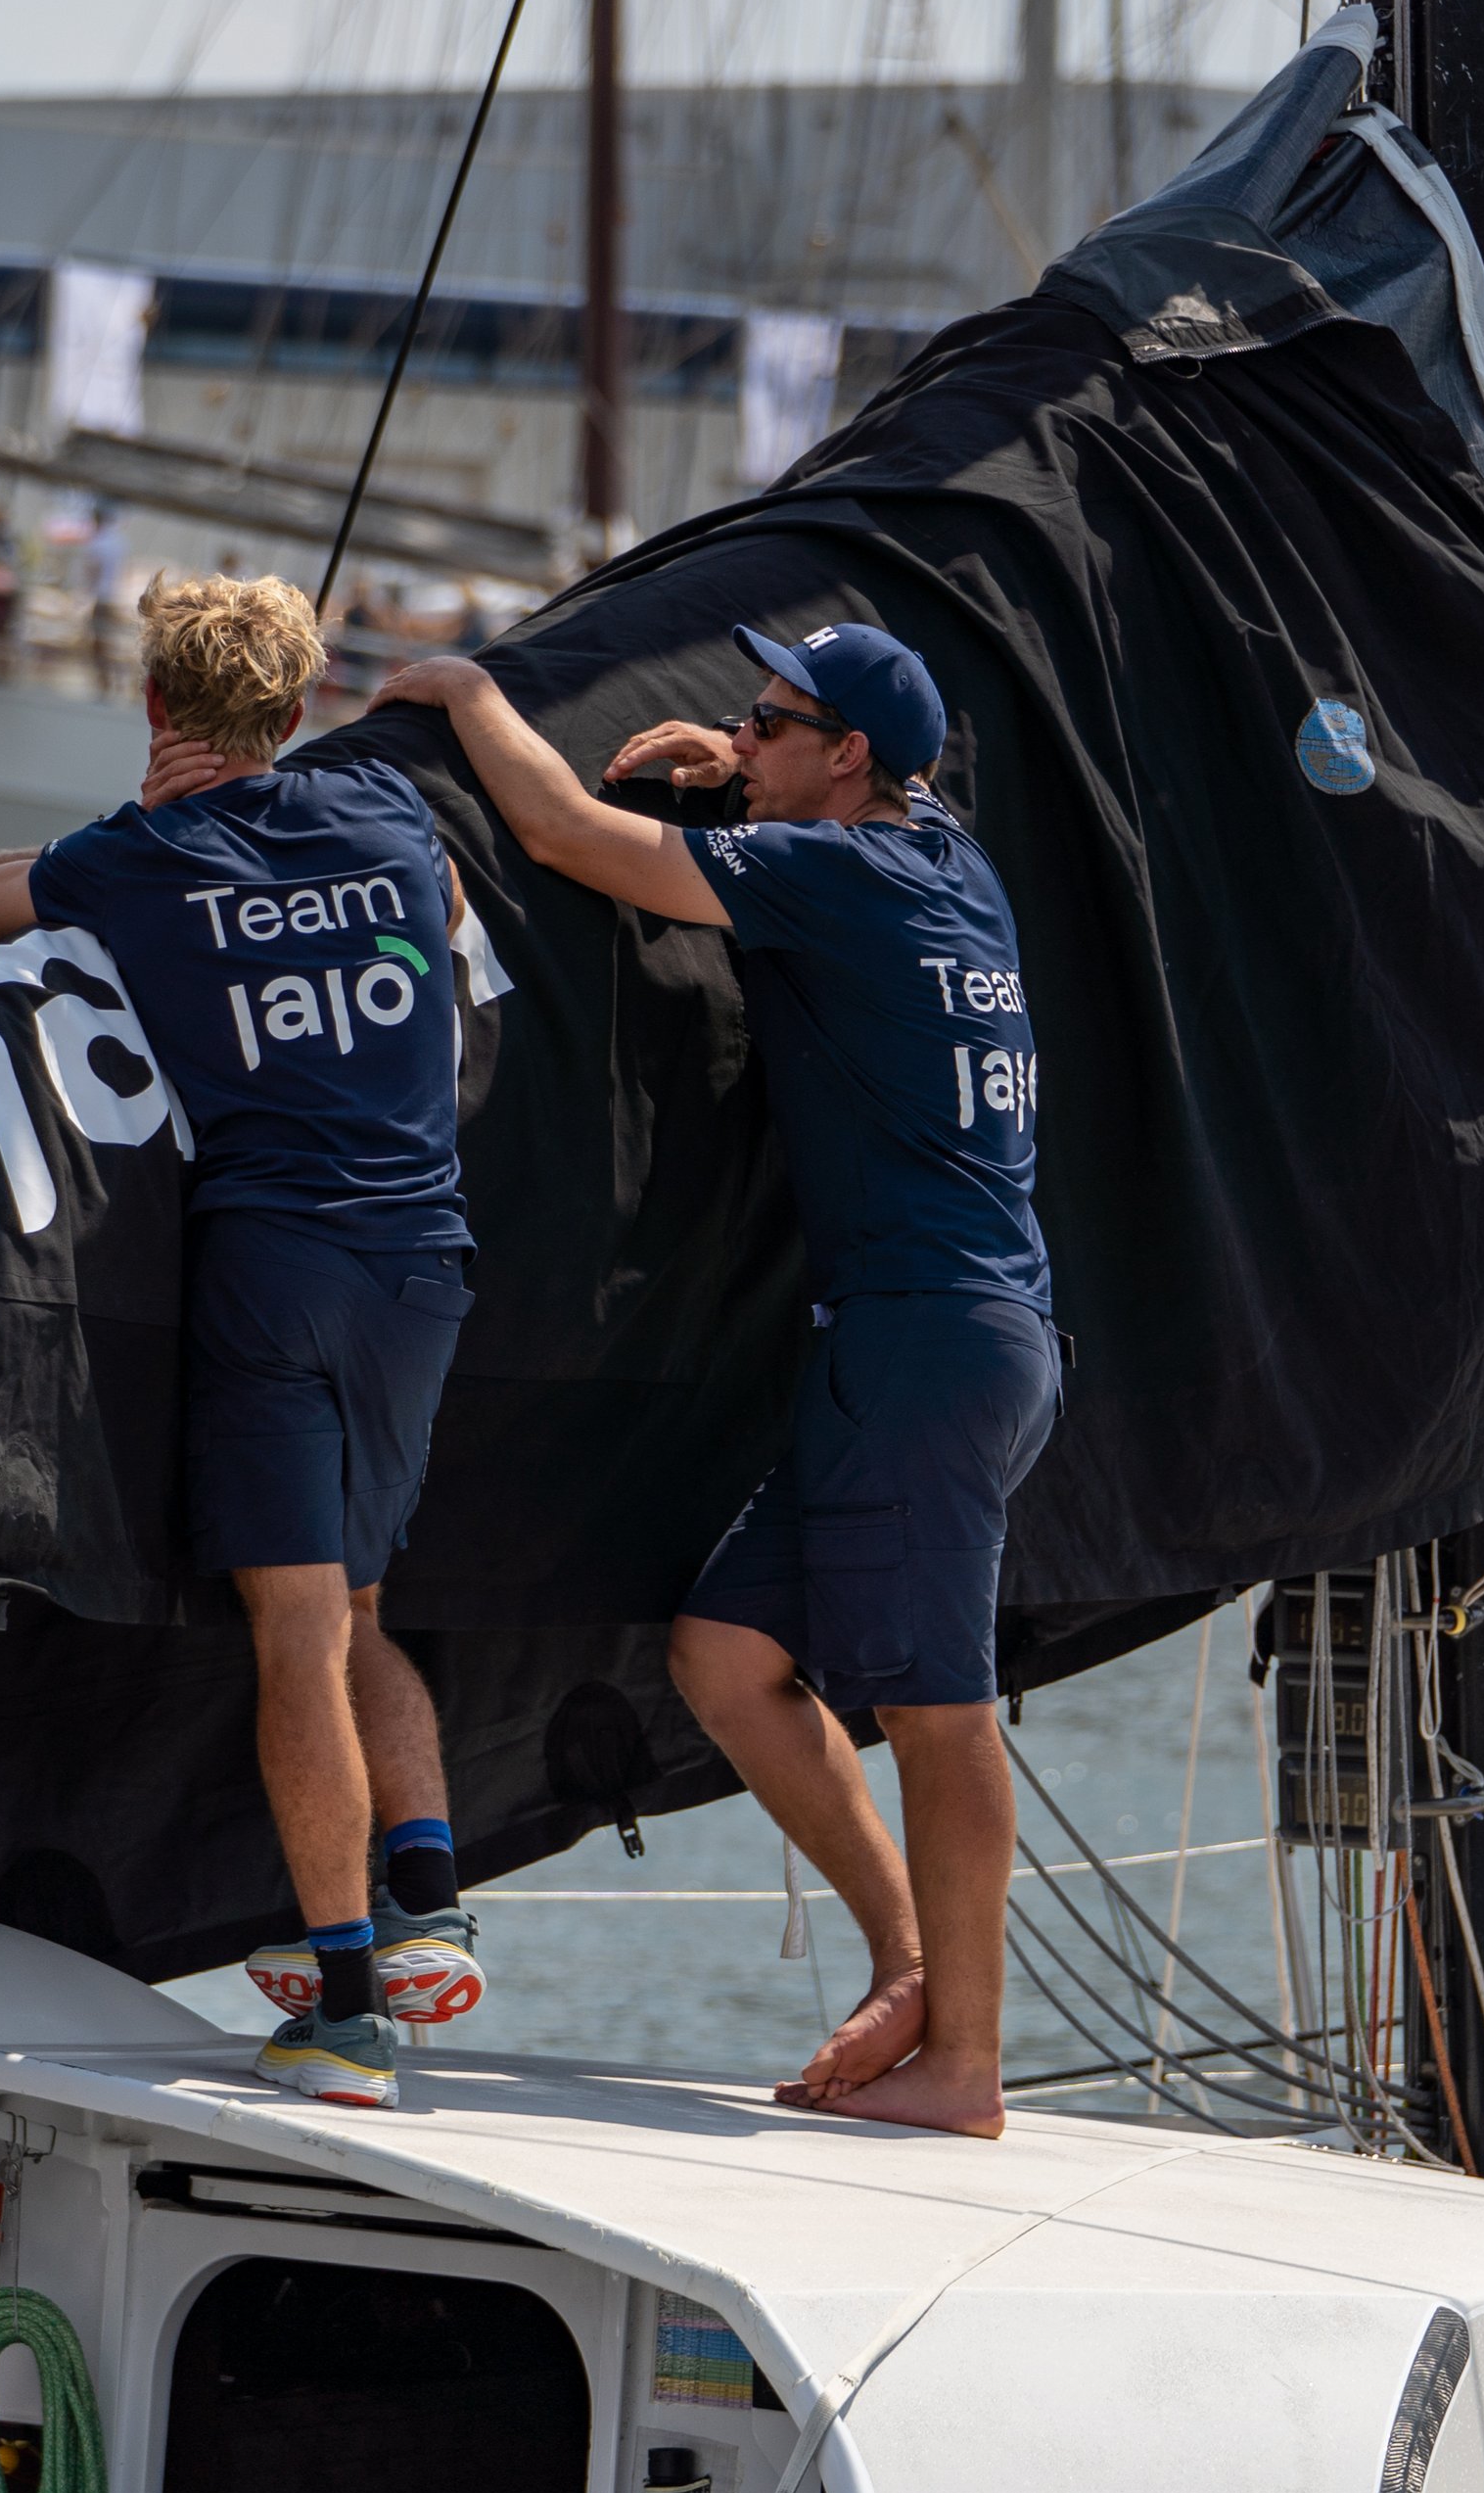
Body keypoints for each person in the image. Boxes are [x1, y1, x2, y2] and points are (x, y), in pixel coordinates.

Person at [157, 618, 1057, 2138]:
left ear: (849, 758)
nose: (739, 736)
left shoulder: (836, 876)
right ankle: (910, 1968)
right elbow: (841, 799)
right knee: (726, 1654)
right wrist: (740, 768)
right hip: (934, 1336)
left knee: (938, 1711)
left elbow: (569, 837)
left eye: (770, 723)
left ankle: (966, 2061)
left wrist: (467, 691)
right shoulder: (945, 858)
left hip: (929, 1342)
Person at [0, 573, 484, 2113]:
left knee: (296, 1631)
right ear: (300, 707)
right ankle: (428, 1898)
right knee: (361, 1600)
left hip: (275, 1272)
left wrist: (141, 821)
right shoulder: (387, 814)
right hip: (423, 1265)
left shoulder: (138, 856)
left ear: (154, 705)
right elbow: (447, 910)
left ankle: (347, 2015)